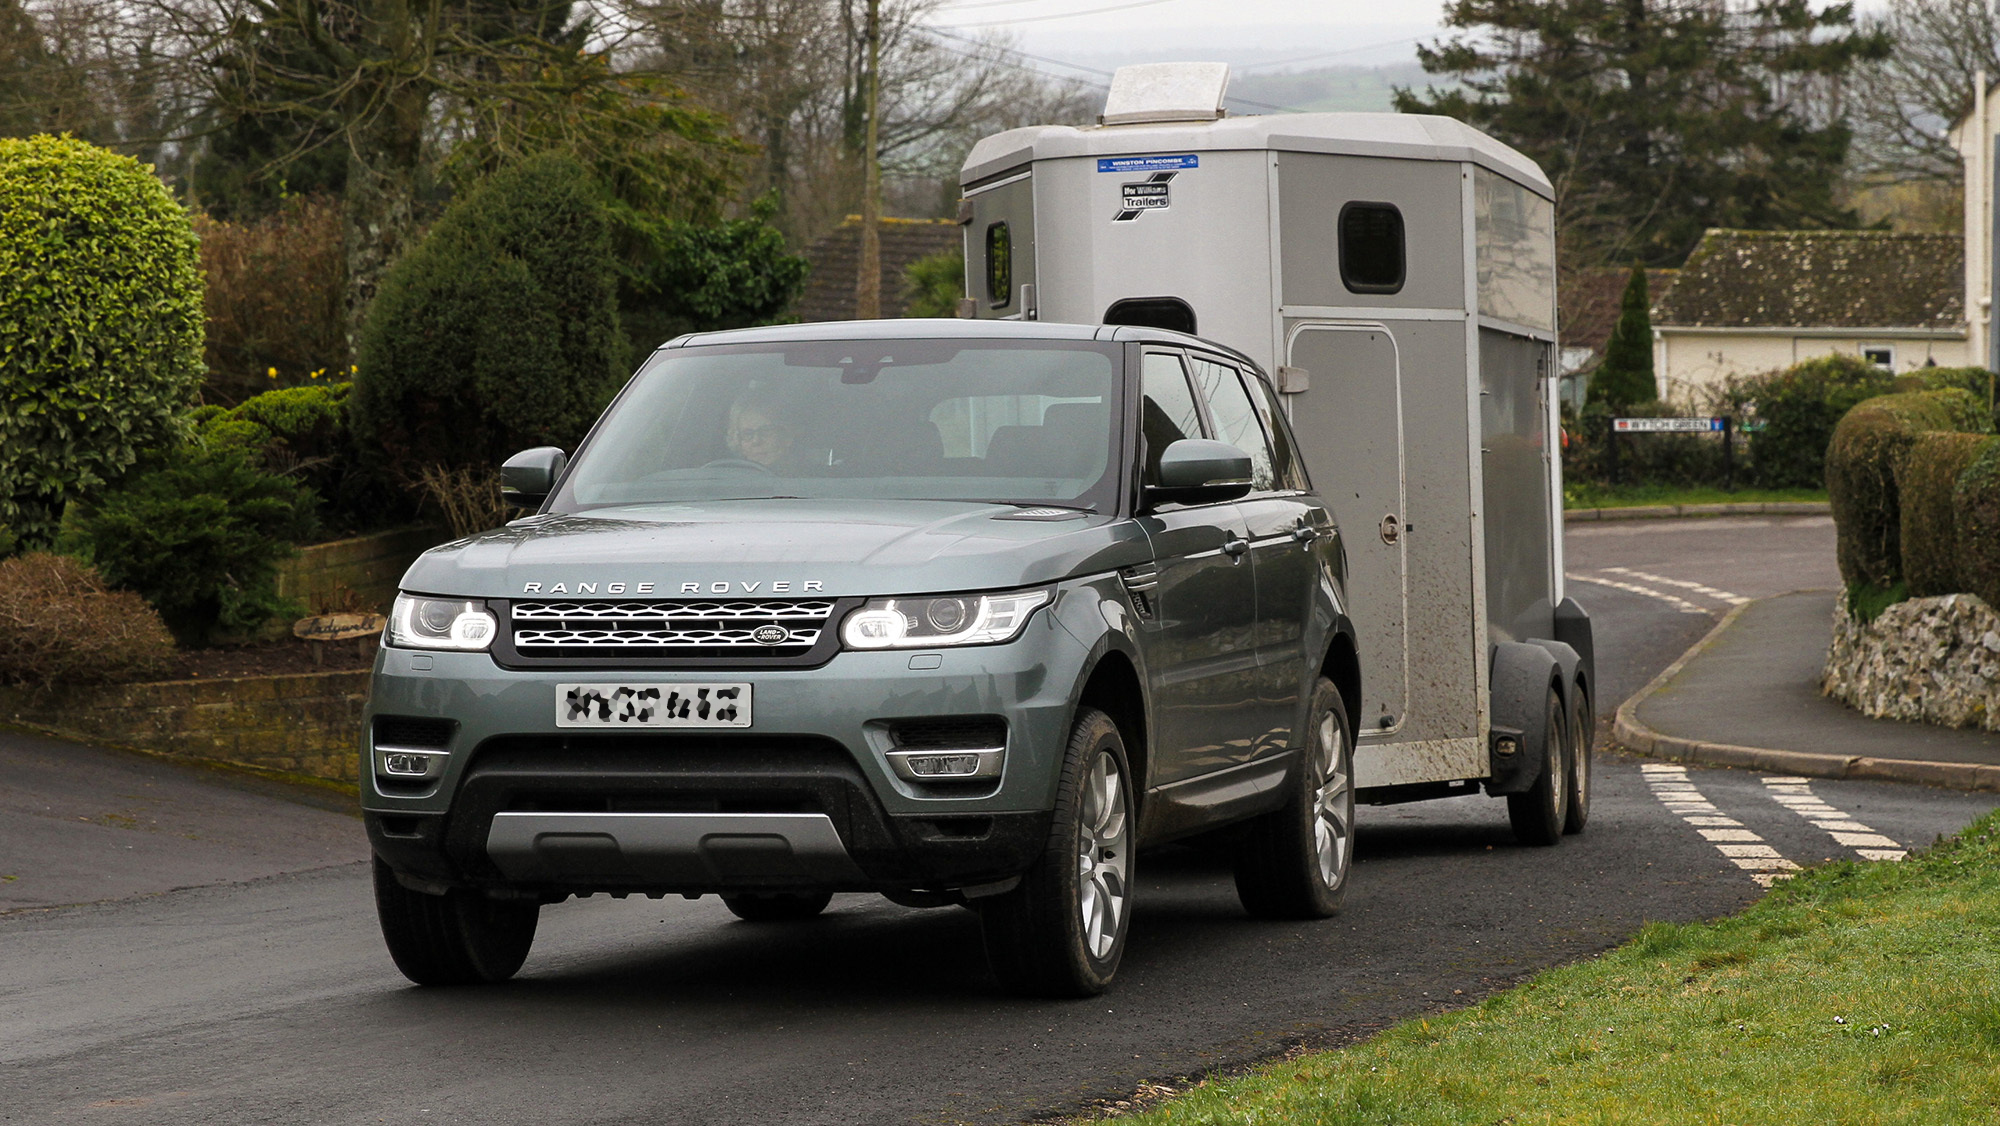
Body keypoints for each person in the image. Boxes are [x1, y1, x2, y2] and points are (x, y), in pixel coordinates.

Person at [724, 393, 805, 472]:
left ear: (787, 437)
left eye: (766, 431)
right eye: (748, 434)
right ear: (737, 440)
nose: (756, 441)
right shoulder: (730, 476)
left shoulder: (808, 475)